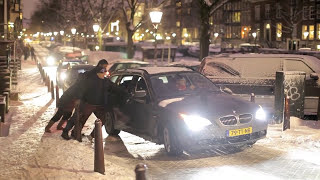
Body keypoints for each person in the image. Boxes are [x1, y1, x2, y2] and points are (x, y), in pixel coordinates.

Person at [61, 59, 127, 140]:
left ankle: (93, 134)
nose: (105, 73)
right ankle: (69, 132)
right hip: (87, 103)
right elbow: (81, 89)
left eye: (105, 70)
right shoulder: (89, 78)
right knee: (78, 118)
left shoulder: (105, 81)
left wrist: (125, 91)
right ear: (99, 71)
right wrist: (79, 98)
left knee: (103, 119)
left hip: (99, 105)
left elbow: (114, 87)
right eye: (104, 70)